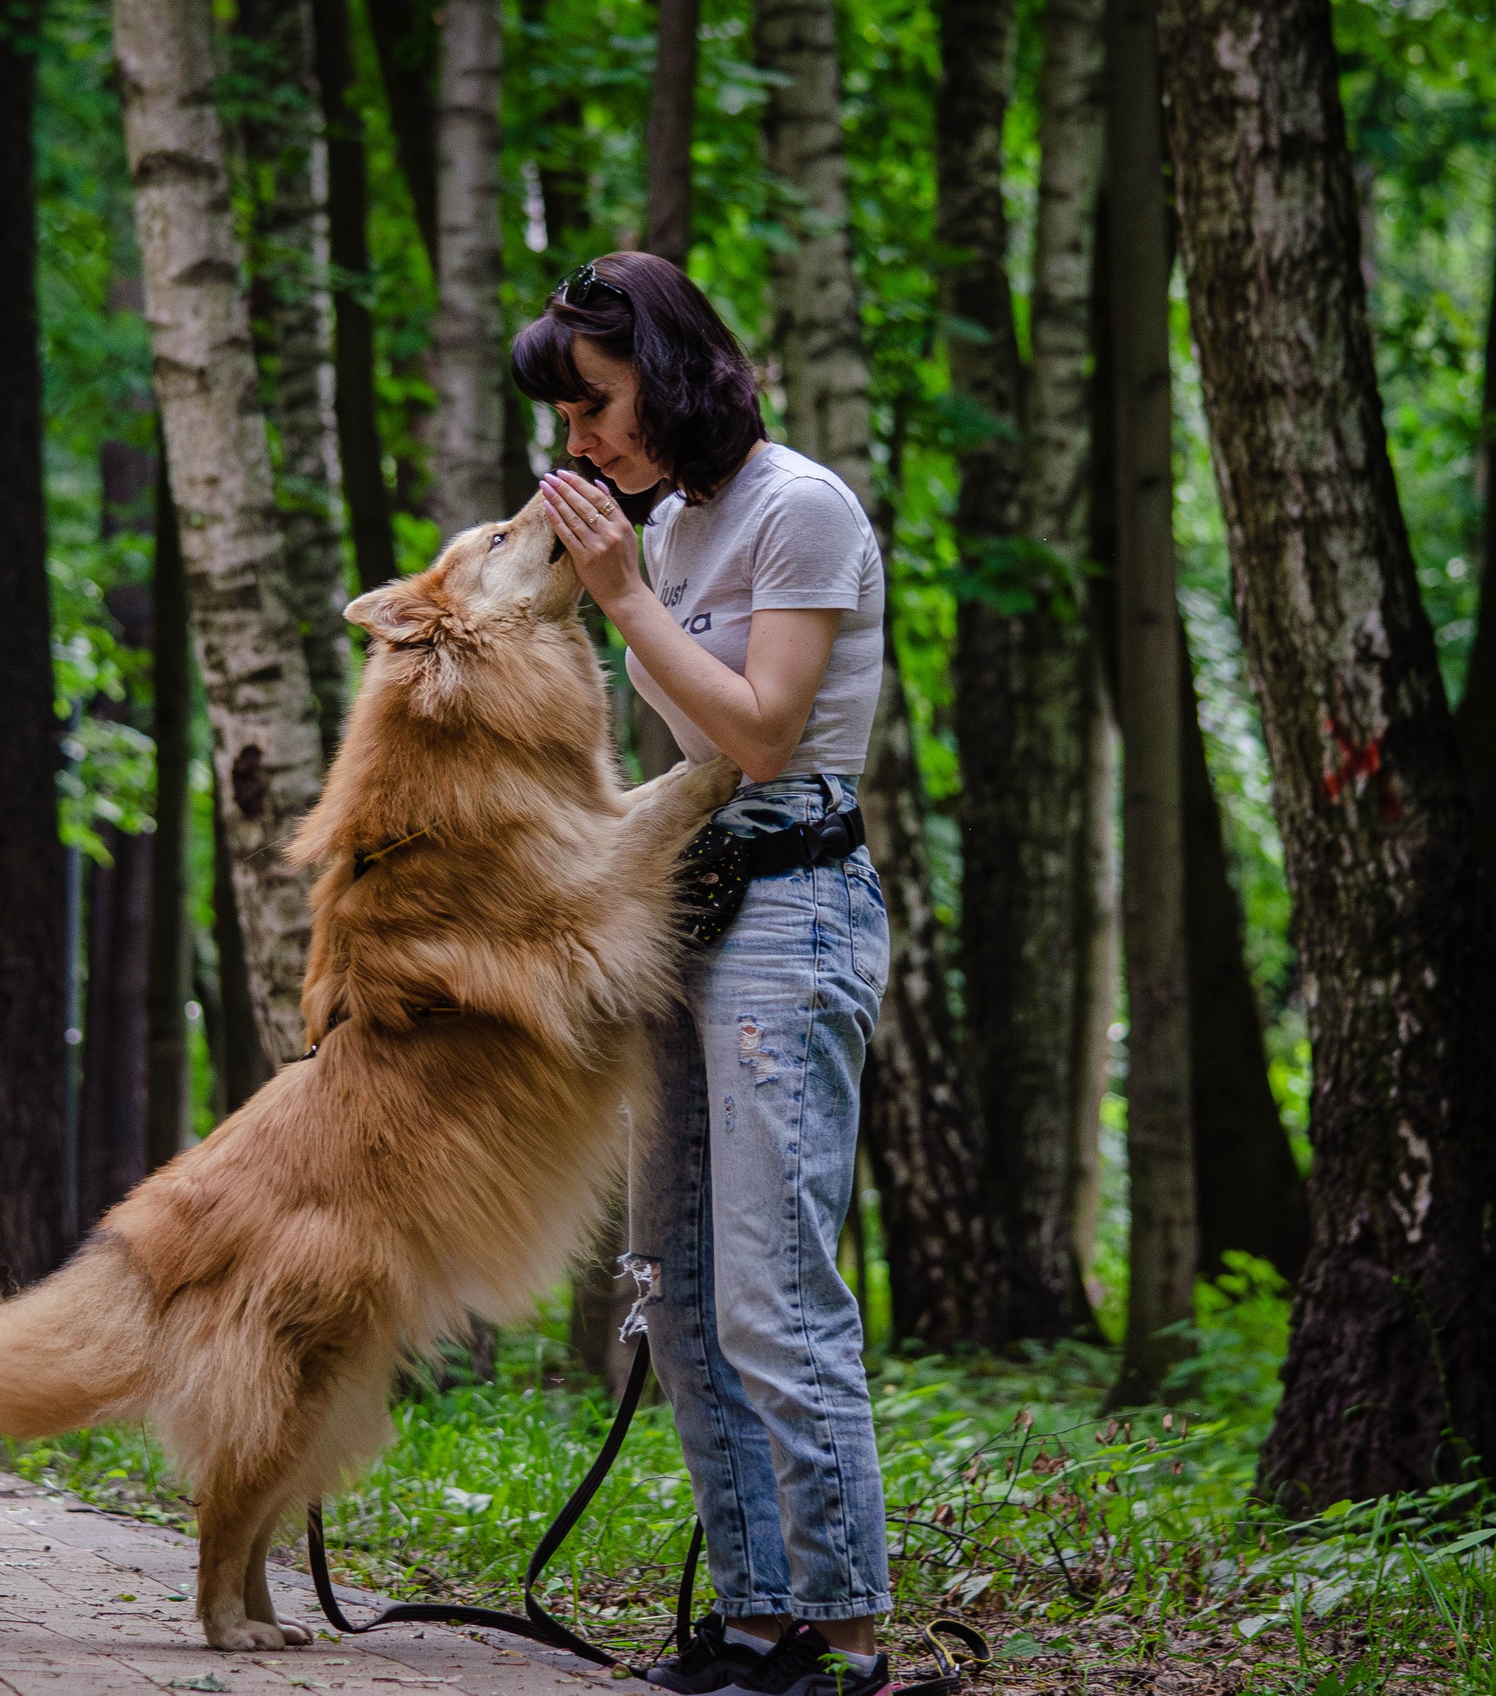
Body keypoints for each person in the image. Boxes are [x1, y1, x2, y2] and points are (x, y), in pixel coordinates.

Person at [512, 252, 893, 1696]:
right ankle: (753, 1622)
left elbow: (763, 734)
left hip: (797, 906)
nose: (581, 443)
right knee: (673, 1285)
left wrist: (618, 593)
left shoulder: (800, 507)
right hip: (688, 908)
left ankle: (843, 1637)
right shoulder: (674, 527)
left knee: (774, 1290)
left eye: (594, 405)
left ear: (668, 376)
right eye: (567, 418)